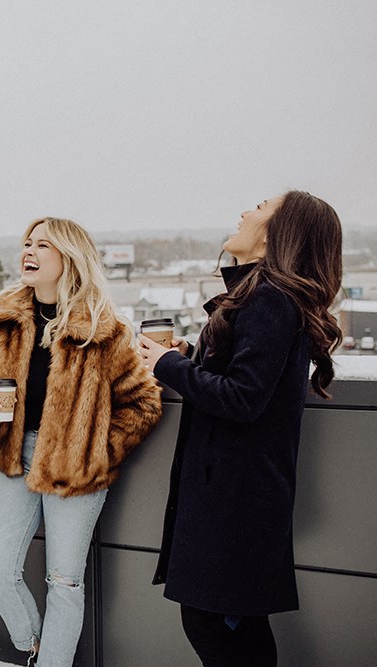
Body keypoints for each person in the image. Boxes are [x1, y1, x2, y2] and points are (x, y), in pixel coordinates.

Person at [139, 191, 343, 666]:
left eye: (259, 206)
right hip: (233, 494)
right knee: (227, 624)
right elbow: (245, 383)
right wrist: (192, 360)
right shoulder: (262, 296)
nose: (245, 210)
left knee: (217, 624)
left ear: (275, 233)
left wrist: (169, 364)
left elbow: (243, 398)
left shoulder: (270, 300)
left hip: (237, 499)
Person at [0, 217, 163, 667]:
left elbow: (143, 403)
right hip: (17, 460)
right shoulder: (2, 320)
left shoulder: (103, 327)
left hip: (77, 471)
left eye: (43, 246)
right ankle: (36, 649)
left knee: (65, 582)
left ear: (69, 259)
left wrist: (96, 450)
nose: (29, 253)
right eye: (27, 244)